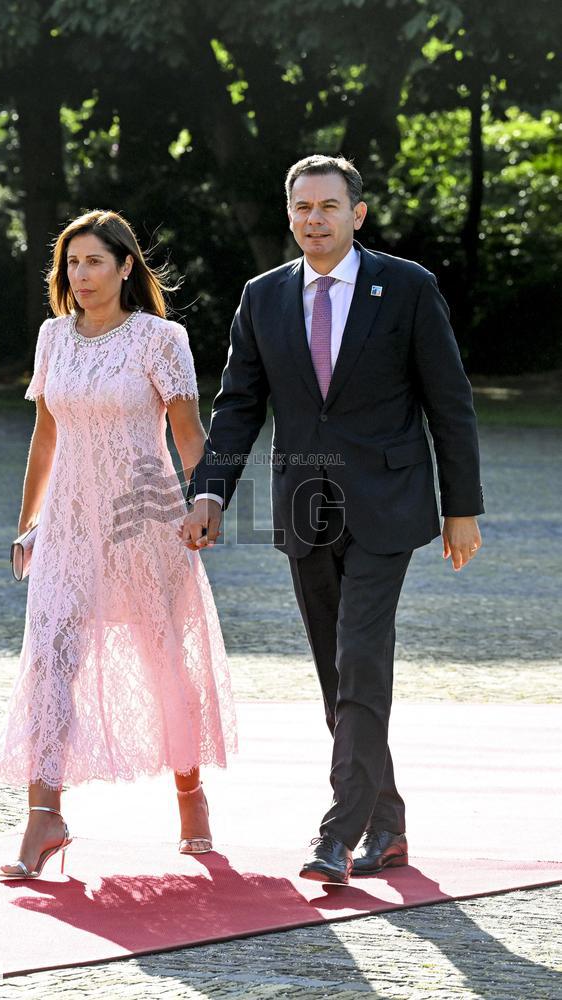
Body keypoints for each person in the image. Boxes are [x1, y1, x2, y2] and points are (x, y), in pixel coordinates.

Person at [180, 154, 483, 884]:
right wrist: (211, 492)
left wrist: (461, 507)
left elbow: (449, 402)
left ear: (357, 214)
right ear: (289, 215)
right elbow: (238, 405)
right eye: (303, 207)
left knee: (361, 658)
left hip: (388, 504)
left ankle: (337, 834)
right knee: (335, 671)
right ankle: (388, 824)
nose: (314, 220)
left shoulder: (406, 287)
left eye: (328, 206)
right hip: (305, 508)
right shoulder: (263, 297)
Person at [0, 209, 236, 878]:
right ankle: (44, 815)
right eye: (72, 263)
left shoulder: (161, 339)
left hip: (142, 521)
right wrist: (28, 521)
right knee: (50, 658)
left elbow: (187, 432)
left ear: (126, 267)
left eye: (94, 261)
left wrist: (206, 501)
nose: (81, 275)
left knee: (164, 659)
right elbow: (45, 435)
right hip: (67, 524)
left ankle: (190, 798)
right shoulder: (53, 337)